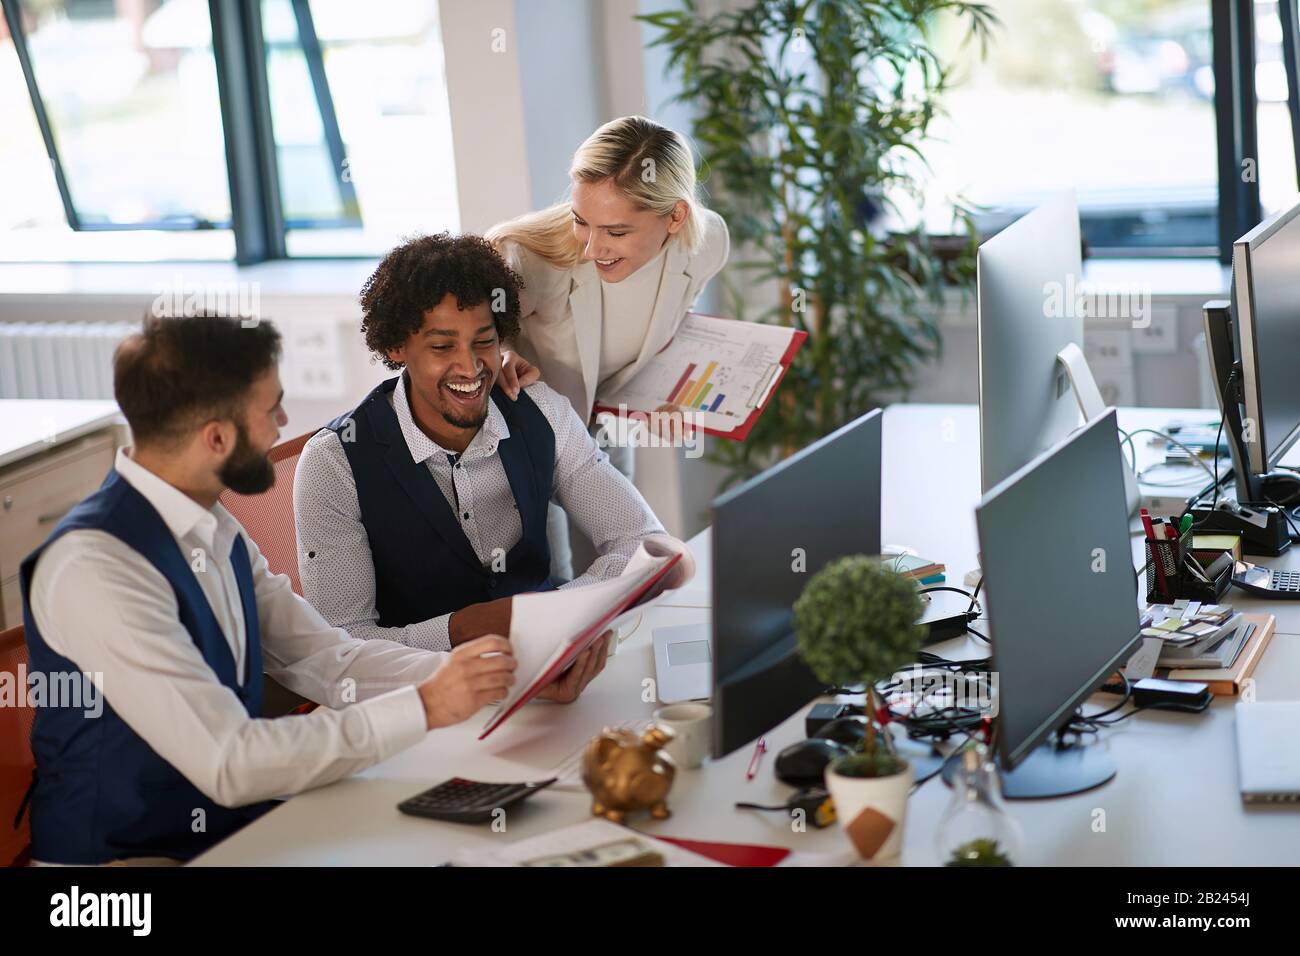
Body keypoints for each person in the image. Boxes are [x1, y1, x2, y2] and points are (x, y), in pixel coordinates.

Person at [19, 313, 570, 865]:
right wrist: (425, 706)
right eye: (270, 410)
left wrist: (505, 674)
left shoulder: (212, 526)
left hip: (227, 827)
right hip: (118, 870)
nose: (282, 424)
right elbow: (230, 762)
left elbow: (331, 662)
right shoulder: (96, 567)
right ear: (216, 437)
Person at [293, 232, 675, 655]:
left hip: (548, 661)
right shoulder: (334, 462)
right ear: (397, 346)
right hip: (419, 694)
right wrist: (467, 629)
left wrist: (556, 611)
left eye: (484, 341)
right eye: (442, 346)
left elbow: (642, 542)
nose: (471, 367)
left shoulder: (541, 413)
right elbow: (342, 646)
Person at [486, 115, 730, 579]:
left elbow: (675, 324)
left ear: (676, 216)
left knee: (619, 566)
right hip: (526, 428)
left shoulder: (707, 242)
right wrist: (498, 351)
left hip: (607, 417)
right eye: (582, 222)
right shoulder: (530, 260)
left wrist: (667, 395)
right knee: (551, 583)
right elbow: (476, 333)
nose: (592, 248)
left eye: (616, 232)